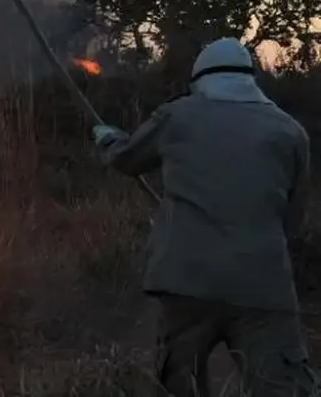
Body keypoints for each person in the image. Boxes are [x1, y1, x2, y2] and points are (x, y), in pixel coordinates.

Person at [93, 37, 316, 397]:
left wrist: (108, 141)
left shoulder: (176, 116)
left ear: (200, 80)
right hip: (262, 285)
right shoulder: (290, 131)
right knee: (282, 386)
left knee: (178, 382)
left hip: (186, 281)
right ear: (251, 78)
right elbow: (292, 221)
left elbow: (128, 159)